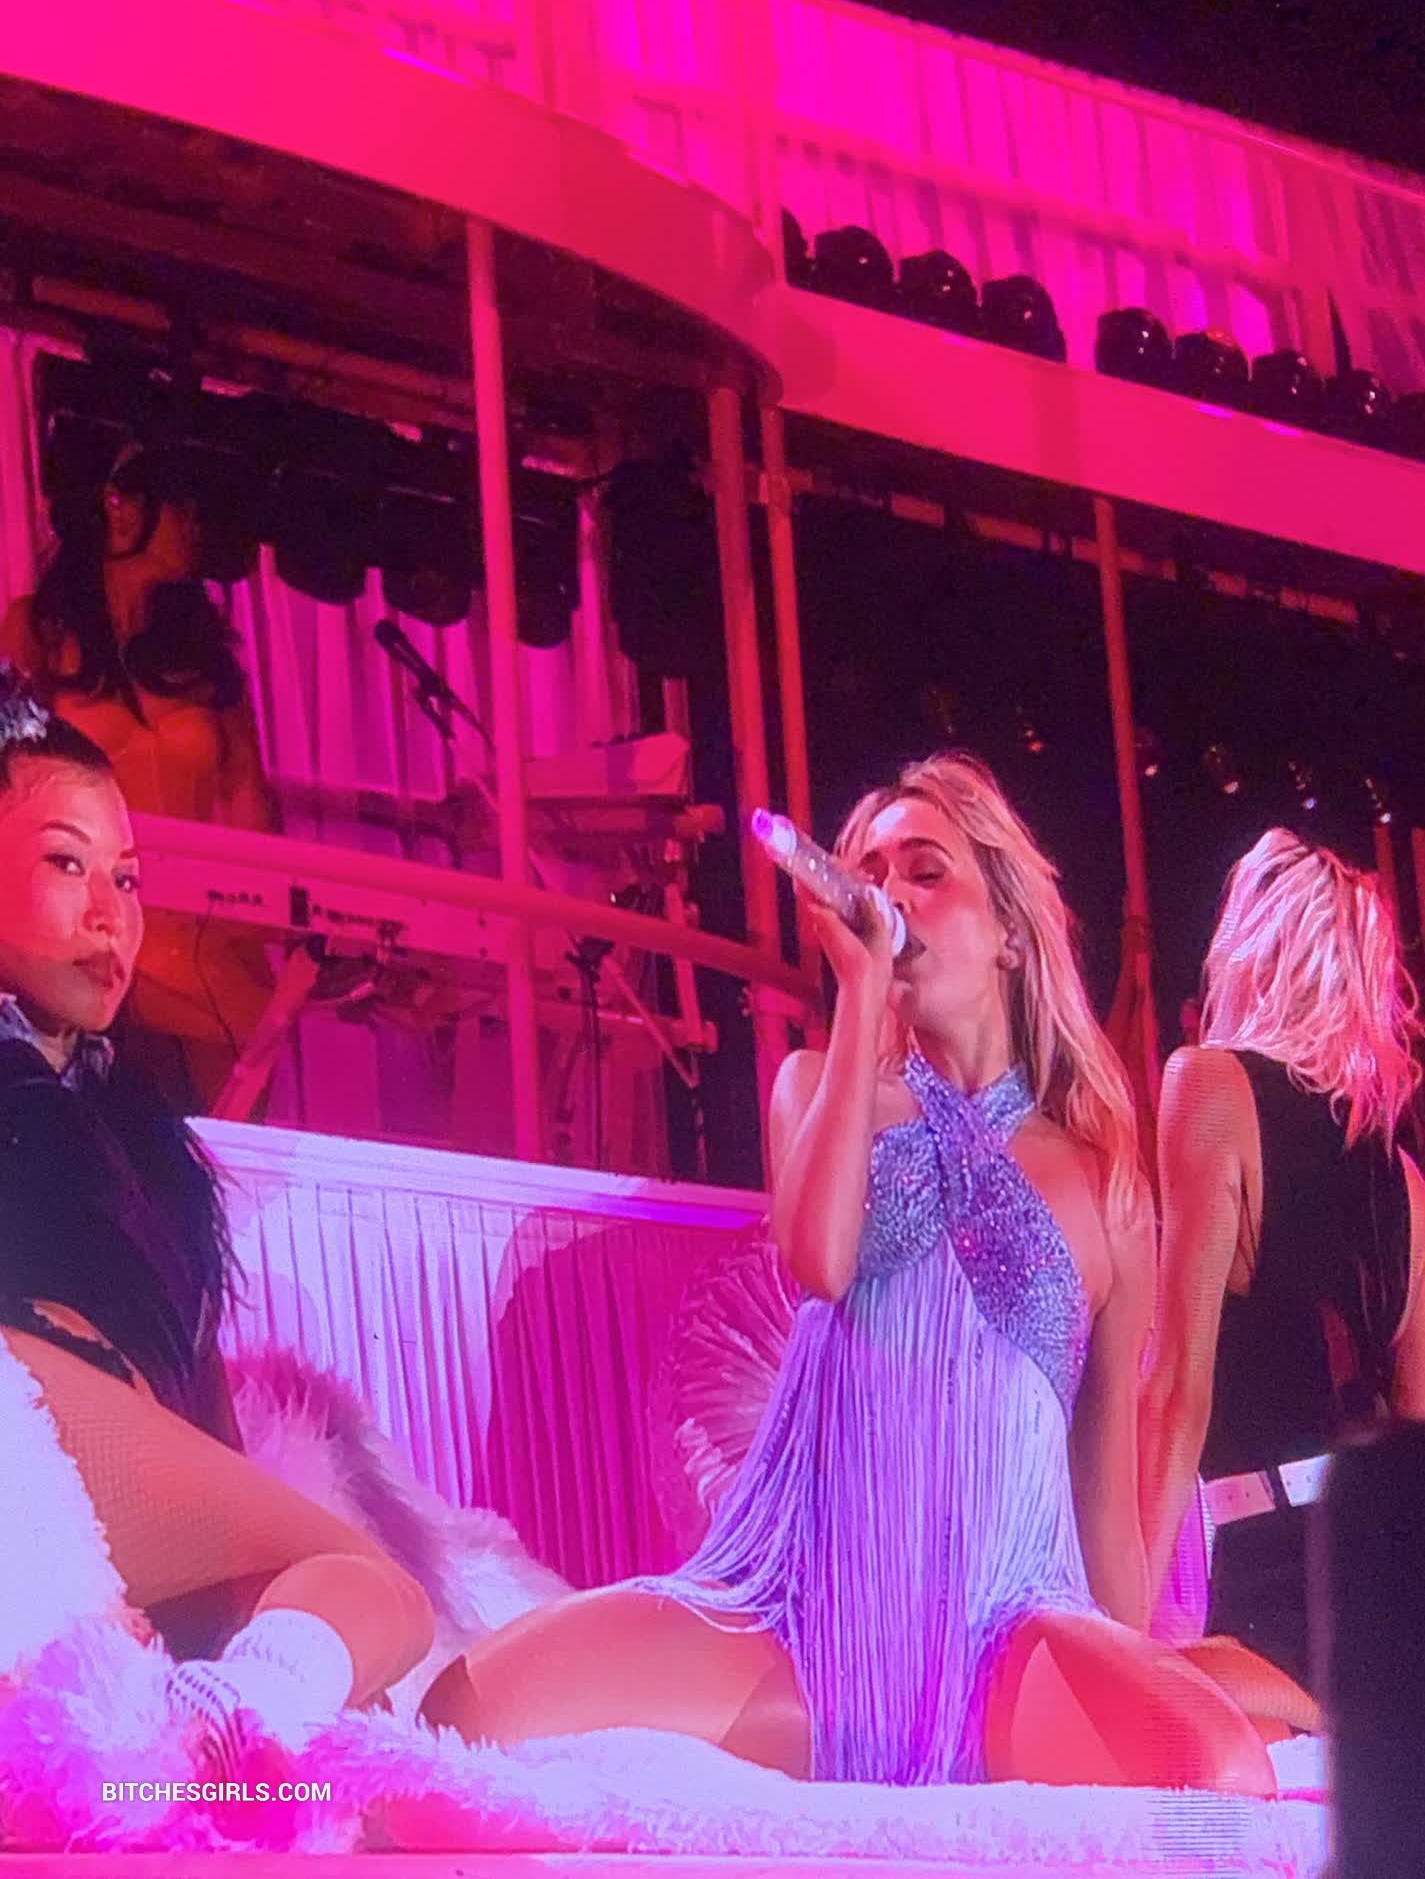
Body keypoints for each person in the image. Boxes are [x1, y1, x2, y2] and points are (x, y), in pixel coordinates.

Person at [423, 753, 1271, 1792]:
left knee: (1216, 1768)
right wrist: (862, 990)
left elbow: (1102, 1488)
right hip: (797, 1617)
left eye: (925, 871)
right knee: (463, 1712)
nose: (888, 895)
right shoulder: (819, 1089)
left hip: (1007, 1637)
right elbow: (819, 1260)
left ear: (1009, 931)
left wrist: (1124, 1663)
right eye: (867, 872)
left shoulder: (1104, 1180)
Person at [0, 671, 431, 1767]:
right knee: (368, 1593)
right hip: (33, 1445)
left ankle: (221, 1738)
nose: (111, 912)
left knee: (365, 1655)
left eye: (128, 877)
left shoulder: (144, 1138)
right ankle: (224, 1730)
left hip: (129, 1492)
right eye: (66, 863)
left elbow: (207, 1427)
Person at [1140, 828, 1425, 1731]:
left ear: (1253, 949)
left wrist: (1120, 1630)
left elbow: (1176, 1391)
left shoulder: (1209, 1087)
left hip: (1275, 1588)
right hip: (1380, 1595)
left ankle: (1322, 1713)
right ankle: (1346, 1715)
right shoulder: (1405, 1183)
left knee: (1121, 1702)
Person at [2, 444, 275, 1111]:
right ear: (120, 507)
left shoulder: (206, 655)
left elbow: (248, 792)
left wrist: (263, 914)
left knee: (223, 1138)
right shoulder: (36, 632)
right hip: (79, 928)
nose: (194, 527)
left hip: (201, 940)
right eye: (179, 507)